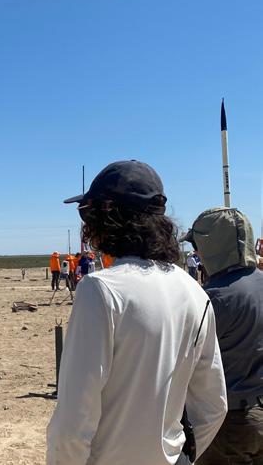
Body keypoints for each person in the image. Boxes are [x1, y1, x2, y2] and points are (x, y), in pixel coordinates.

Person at [48, 160, 227, 465]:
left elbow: (73, 421)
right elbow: (214, 406)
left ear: (108, 216)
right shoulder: (194, 292)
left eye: (87, 214)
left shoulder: (100, 290)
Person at [185, 207, 263, 465]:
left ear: (212, 246)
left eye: (197, 245)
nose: (197, 252)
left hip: (231, 421)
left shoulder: (211, 298)